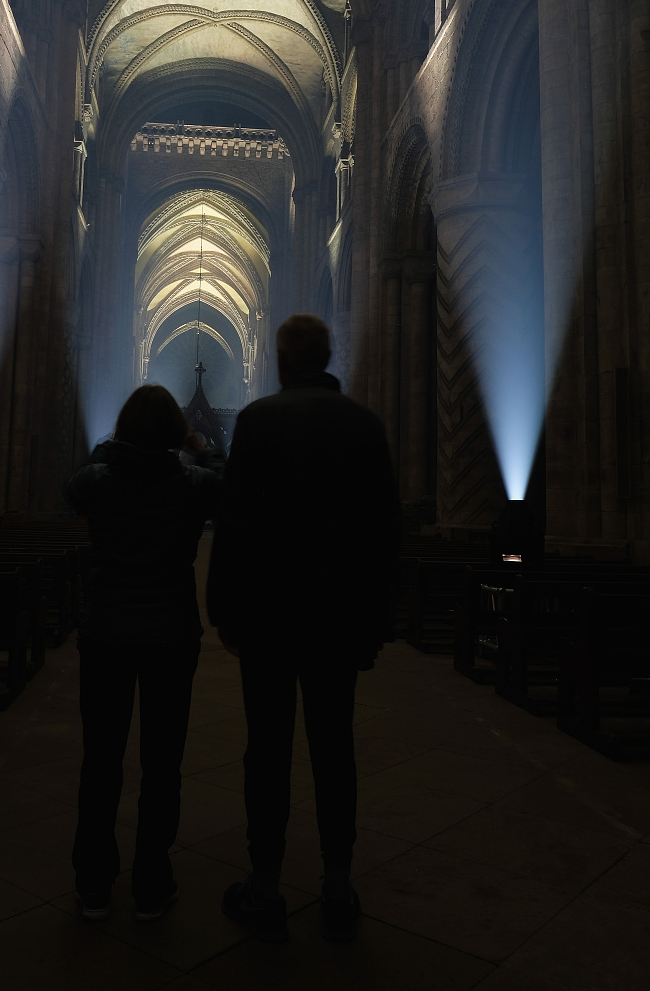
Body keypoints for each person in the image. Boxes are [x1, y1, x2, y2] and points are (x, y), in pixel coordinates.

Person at [206, 314, 400, 943]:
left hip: (268, 617)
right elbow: (382, 535)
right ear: (328, 355)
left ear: (281, 361)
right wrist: (376, 620)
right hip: (338, 617)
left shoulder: (258, 422)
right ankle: (337, 884)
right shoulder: (366, 427)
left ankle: (264, 885)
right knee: (334, 748)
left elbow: (232, 527)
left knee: (267, 749)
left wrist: (225, 613)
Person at [65, 384, 223, 923]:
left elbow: (76, 486)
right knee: (162, 765)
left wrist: (112, 446)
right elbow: (230, 489)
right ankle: (152, 884)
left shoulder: (100, 479)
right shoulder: (190, 482)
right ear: (177, 433)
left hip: (107, 634)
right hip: (169, 637)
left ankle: (93, 883)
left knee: (101, 761)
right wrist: (203, 449)